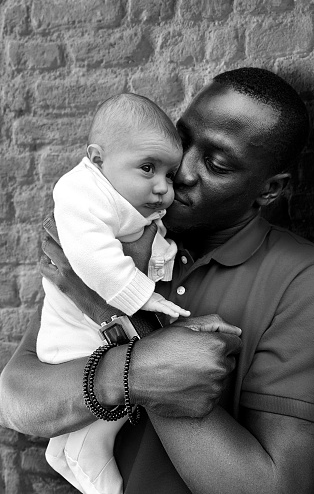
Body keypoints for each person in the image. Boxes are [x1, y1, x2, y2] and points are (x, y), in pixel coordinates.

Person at [1, 67, 314, 494]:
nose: (180, 171)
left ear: (269, 190)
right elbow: (15, 400)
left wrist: (109, 314)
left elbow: (273, 487)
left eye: (216, 163)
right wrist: (138, 371)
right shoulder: (116, 236)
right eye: (184, 141)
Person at [37, 93, 204, 494]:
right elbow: (91, 256)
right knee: (120, 388)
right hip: (74, 329)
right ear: (97, 159)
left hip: (98, 321)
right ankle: (86, 452)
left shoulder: (131, 198)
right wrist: (142, 295)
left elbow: (152, 243)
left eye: (169, 174)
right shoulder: (80, 190)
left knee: (124, 381)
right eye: (148, 168)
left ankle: (67, 451)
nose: (163, 187)